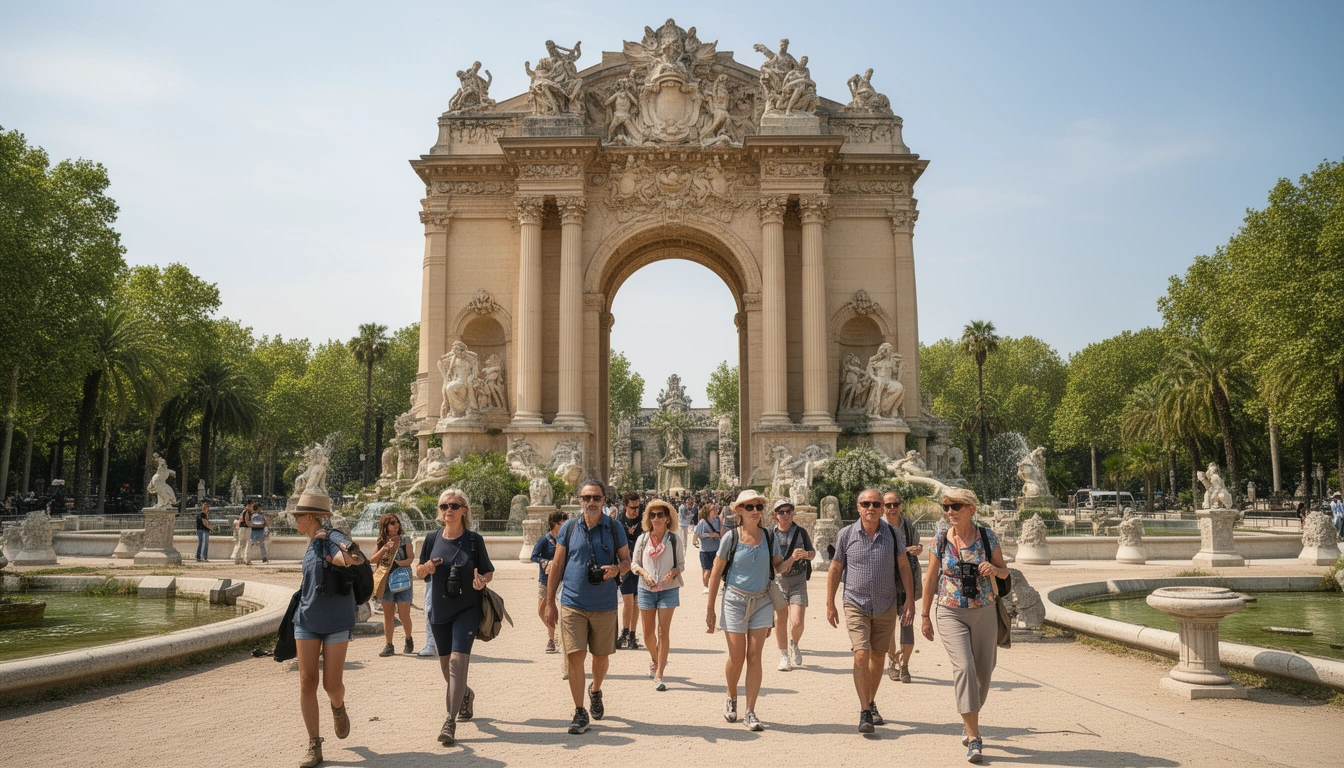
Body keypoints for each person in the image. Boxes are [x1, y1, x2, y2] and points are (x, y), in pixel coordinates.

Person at [920, 487, 1009, 764]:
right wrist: (924, 615)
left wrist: (993, 570)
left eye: (956, 507)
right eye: (946, 508)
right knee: (965, 668)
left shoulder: (986, 536)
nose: (950, 513)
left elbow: (1005, 570)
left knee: (984, 673)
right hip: (950, 612)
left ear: (971, 509)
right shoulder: (940, 541)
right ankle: (974, 737)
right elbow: (931, 580)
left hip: (984, 610)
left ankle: (967, 717)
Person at [544, 481, 631, 735]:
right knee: (575, 656)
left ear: (604, 500)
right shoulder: (569, 528)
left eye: (596, 497)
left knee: (601, 658)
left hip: (604, 604)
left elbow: (626, 561)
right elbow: (557, 566)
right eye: (586, 497)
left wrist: (617, 569)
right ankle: (579, 711)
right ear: (579, 500)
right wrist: (550, 603)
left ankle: (595, 690)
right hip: (573, 602)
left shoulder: (615, 528)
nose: (591, 502)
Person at [826, 488, 915, 734]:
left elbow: (904, 567)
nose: (871, 508)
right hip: (855, 603)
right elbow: (835, 569)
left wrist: (909, 600)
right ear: (858, 507)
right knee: (861, 655)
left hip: (885, 604)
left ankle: (870, 701)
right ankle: (865, 711)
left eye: (876, 504)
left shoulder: (894, 534)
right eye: (866, 503)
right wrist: (829, 603)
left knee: (877, 657)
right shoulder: (846, 534)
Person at [416, 488, 495, 747]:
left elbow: (487, 572)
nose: (448, 510)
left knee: (457, 664)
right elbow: (419, 571)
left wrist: (481, 580)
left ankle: (449, 721)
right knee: (446, 668)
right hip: (439, 610)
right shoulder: (431, 538)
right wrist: (425, 568)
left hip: (467, 609)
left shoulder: (474, 540)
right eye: (443, 506)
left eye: (453, 505)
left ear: (464, 510)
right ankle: (465, 694)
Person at [291, 492, 363, 768]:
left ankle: (338, 705)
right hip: (306, 620)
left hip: (335, 620)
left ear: (309, 516)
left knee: (331, 685)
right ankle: (314, 744)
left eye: (298, 516)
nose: (295, 520)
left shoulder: (331, 537)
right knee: (307, 682)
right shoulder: (311, 543)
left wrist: (348, 555)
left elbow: (351, 556)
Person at [706, 489, 782, 732]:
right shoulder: (731, 538)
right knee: (737, 657)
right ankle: (731, 694)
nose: (756, 511)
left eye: (758, 507)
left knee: (755, 656)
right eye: (749, 507)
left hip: (762, 601)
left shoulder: (770, 537)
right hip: (734, 601)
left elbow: (778, 567)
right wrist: (710, 609)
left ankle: (750, 711)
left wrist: (796, 559)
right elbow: (716, 573)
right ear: (739, 511)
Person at [630, 498, 685, 691]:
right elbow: (634, 564)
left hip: (668, 590)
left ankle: (659, 673)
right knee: (647, 634)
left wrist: (673, 573)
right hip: (645, 589)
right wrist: (644, 574)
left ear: (668, 518)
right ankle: (655, 658)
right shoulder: (643, 539)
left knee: (663, 632)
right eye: (652, 515)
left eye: (660, 515)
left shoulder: (674, 539)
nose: (656, 518)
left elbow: (681, 565)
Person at [883, 490, 923, 683]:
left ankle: (905, 665)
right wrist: (904, 551)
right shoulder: (879, 526)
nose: (892, 508)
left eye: (895, 504)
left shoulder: (908, 525)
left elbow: (917, 545)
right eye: (888, 505)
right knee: (889, 626)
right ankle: (892, 661)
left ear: (901, 505)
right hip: (886, 582)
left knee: (907, 623)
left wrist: (917, 549)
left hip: (907, 581)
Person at [770, 498, 814, 671]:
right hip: (780, 582)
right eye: (782, 512)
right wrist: (792, 558)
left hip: (798, 581)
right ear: (776, 515)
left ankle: (794, 643)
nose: (786, 515)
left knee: (797, 622)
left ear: (793, 513)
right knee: (780, 620)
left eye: (789, 511)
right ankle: (783, 655)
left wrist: (805, 554)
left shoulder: (801, 532)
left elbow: (812, 553)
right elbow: (777, 567)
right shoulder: (771, 534)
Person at [372, 513, 415, 657]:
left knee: (404, 615)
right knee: (388, 616)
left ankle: (408, 639)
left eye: (397, 522)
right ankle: (389, 645)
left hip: (403, 581)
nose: (396, 525)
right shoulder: (381, 541)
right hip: (386, 582)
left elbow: (410, 558)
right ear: (385, 526)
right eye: (392, 523)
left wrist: (398, 563)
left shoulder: (404, 539)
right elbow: (372, 560)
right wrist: (384, 549)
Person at [531, 509, 568, 654]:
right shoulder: (544, 539)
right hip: (545, 579)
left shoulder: (566, 539)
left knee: (556, 609)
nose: (564, 525)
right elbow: (533, 556)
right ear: (553, 523)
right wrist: (545, 562)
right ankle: (557, 632)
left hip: (562, 579)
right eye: (561, 523)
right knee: (542, 611)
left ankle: (552, 639)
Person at [617, 491, 644, 651]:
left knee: (637, 602)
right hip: (625, 563)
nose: (636, 511)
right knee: (628, 601)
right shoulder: (619, 520)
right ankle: (625, 632)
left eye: (638, 507)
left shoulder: (644, 520)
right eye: (633, 507)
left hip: (641, 565)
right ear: (625, 506)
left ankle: (632, 635)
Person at [693, 504, 723, 593]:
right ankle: (706, 586)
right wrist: (709, 535)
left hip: (717, 548)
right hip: (705, 549)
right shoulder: (702, 522)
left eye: (715, 509)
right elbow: (698, 534)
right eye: (713, 509)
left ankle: (719, 586)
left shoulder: (717, 520)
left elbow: (722, 531)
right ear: (708, 511)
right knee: (706, 569)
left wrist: (721, 521)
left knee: (718, 569)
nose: (715, 510)